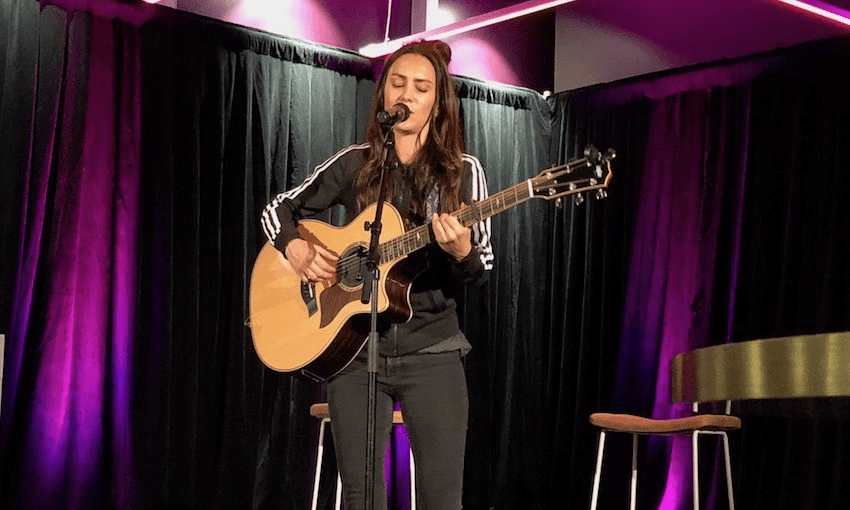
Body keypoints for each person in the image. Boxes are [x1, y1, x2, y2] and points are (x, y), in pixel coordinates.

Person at [261, 40, 493, 510]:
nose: (407, 94)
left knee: (441, 499)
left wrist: (460, 247)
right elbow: (275, 210)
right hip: (355, 351)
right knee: (362, 499)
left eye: (421, 87)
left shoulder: (461, 173)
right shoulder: (356, 162)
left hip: (433, 353)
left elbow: (481, 267)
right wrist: (296, 246)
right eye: (398, 82)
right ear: (384, 93)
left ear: (438, 101)